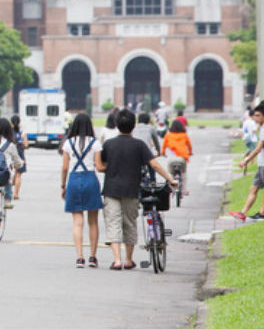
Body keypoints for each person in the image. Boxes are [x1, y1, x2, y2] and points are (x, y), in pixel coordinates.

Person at [95, 109, 178, 270]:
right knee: (130, 223)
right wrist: (170, 179)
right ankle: (128, 259)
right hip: (132, 190)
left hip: (111, 190)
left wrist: (112, 168)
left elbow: (102, 166)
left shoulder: (109, 144)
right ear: (133, 127)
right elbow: (154, 164)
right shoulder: (139, 145)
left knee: (113, 223)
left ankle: (117, 260)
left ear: (117, 125)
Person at [60, 113, 103, 268]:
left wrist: (63, 186)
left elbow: (65, 167)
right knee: (93, 222)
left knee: (77, 222)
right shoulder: (95, 143)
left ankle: (79, 258)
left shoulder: (68, 143)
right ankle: (92, 257)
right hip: (91, 180)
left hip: (74, 180)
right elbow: (99, 166)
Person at [161, 120, 193, 196]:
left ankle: (171, 188)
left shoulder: (168, 135)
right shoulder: (184, 135)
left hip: (171, 159)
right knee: (184, 173)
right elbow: (189, 146)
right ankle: (184, 190)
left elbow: (163, 147)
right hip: (182, 158)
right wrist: (190, 153)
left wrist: (163, 153)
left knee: (170, 173)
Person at [11, 114, 28, 200]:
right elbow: (26, 144)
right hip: (20, 155)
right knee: (18, 175)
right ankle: (16, 194)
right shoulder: (22, 132)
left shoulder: (9, 132)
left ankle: (8, 192)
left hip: (10, 155)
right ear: (19, 122)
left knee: (9, 173)